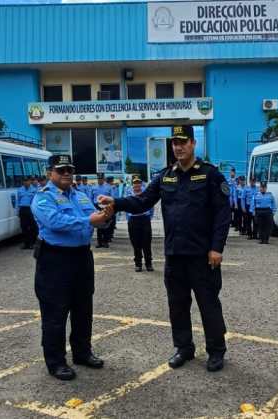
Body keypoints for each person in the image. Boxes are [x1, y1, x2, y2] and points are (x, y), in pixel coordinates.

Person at [98, 125, 231, 372]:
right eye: (174, 143)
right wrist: (116, 203)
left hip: (203, 256)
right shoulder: (165, 176)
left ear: (193, 143)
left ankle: (216, 350)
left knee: (208, 304)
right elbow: (141, 201)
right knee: (177, 305)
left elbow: (223, 214)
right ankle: (184, 348)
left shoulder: (211, 175)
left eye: (182, 142)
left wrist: (216, 248)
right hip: (174, 255)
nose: (178, 147)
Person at [31, 155, 111, 380]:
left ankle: (82, 353)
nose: (67, 173)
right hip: (55, 260)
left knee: (83, 309)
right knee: (55, 314)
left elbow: (96, 219)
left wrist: (106, 217)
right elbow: (55, 222)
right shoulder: (43, 198)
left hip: (82, 257)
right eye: (61, 170)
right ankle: (56, 362)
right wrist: (90, 221)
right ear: (50, 173)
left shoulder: (81, 196)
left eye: (70, 169)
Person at [125, 178, 154, 272]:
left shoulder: (145, 194)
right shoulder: (129, 194)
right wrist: (128, 218)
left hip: (144, 219)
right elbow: (125, 206)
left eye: (138, 184)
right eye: (135, 184)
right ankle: (138, 264)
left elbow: (151, 205)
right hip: (133, 220)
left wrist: (149, 216)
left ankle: (149, 264)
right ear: (132, 185)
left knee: (147, 242)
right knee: (135, 243)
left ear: (141, 185)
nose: (137, 185)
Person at [93, 176, 116, 248]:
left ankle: (105, 241)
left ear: (103, 180)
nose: (100, 180)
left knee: (106, 225)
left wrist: (111, 206)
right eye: (99, 179)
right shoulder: (93, 187)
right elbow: (91, 198)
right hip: (97, 207)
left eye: (101, 179)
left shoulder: (108, 187)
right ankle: (99, 242)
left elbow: (112, 197)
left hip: (106, 206)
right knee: (99, 225)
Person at [16, 177, 38, 250]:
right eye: (24, 181)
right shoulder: (20, 190)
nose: (26, 182)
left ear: (30, 181)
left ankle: (32, 243)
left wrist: (35, 211)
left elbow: (36, 201)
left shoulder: (34, 190)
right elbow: (18, 201)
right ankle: (26, 243)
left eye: (27, 181)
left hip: (30, 209)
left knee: (33, 227)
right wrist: (18, 211)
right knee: (24, 227)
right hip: (22, 209)